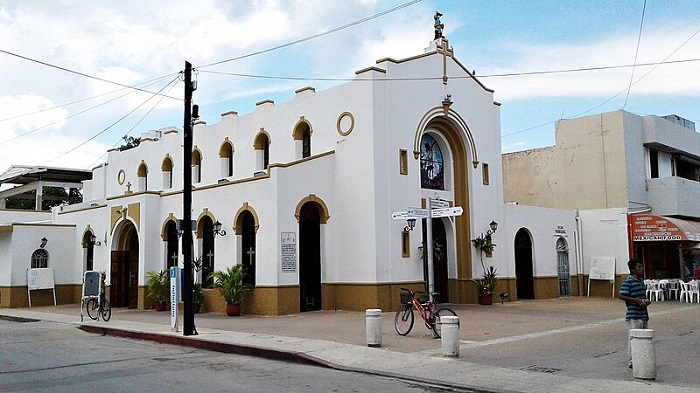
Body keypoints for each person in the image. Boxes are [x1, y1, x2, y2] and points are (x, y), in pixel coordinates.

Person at [618, 259, 650, 369]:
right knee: (633, 338)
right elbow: (621, 295)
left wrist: (645, 301)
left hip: (643, 314)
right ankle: (632, 360)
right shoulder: (628, 281)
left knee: (644, 338)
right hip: (634, 315)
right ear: (633, 269)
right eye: (639, 267)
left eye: (642, 267)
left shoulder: (641, 281)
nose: (642, 269)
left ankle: (643, 357)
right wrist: (636, 301)